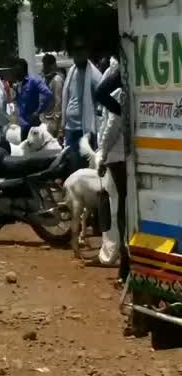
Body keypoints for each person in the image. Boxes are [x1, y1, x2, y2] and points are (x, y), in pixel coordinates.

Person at [95, 56, 129, 282]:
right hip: (120, 156)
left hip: (116, 157)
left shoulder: (116, 93)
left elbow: (111, 127)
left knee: (120, 212)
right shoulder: (121, 91)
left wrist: (102, 153)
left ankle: (125, 265)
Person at [62, 35, 102, 171]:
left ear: (87, 52)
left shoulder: (95, 76)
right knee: (70, 167)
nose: (77, 53)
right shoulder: (71, 71)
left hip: (84, 132)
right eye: (75, 50)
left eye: (81, 49)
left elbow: (102, 105)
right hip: (69, 129)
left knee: (82, 170)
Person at [12, 58, 53, 140]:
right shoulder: (17, 84)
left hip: (33, 126)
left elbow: (48, 93)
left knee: (35, 151)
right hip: (22, 126)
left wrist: (38, 111)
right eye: (14, 70)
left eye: (17, 70)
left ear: (23, 70)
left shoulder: (33, 81)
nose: (15, 73)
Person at [41, 53, 64, 139]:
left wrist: (58, 128)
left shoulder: (57, 80)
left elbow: (59, 103)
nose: (44, 68)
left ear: (53, 65)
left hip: (53, 122)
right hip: (45, 120)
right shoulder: (46, 79)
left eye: (47, 65)